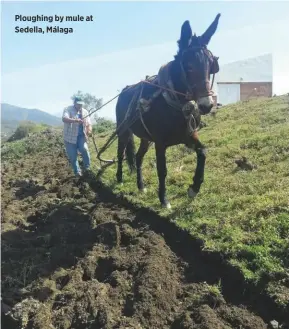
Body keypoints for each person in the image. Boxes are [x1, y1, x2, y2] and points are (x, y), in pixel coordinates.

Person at [62, 96, 92, 177]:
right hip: (70, 138)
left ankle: (87, 168)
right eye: (78, 104)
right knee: (73, 156)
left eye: (81, 104)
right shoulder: (68, 109)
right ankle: (77, 172)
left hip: (81, 136)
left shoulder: (85, 112)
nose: (80, 106)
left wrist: (89, 131)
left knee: (84, 149)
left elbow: (89, 123)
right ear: (74, 103)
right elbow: (64, 119)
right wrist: (75, 120)